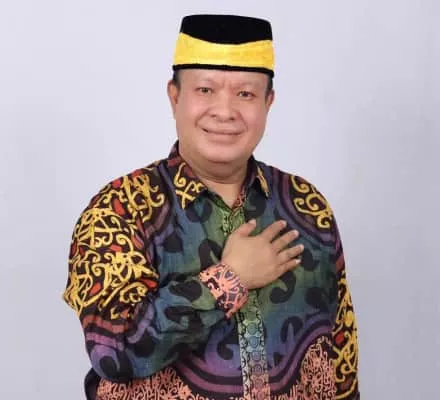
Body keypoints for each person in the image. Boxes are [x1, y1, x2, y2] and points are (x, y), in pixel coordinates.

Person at [63, 14, 360, 400]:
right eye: (205, 90)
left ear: (268, 103)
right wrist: (229, 279)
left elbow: (341, 359)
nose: (225, 111)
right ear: (175, 97)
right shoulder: (120, 210)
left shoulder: (307, 207)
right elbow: (114, 352)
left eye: (245, 94)